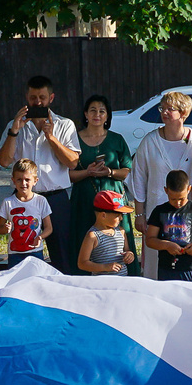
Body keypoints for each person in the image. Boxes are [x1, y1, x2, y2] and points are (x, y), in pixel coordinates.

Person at [0, 77, 79, 267]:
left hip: (55, 198)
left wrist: (51, 138)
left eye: (42, 97)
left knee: (62, 254)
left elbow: (73, 162)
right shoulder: (15, 125)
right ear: (27, 97)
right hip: (24, 199)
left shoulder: (64, 124)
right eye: (33, 97)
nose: (38, 102)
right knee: (23, 253)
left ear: (51, 97)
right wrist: (14, 131)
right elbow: (4, 161)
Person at [128, 91, 192, 281]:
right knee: (155, 264)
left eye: (170, 109)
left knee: (186, 262)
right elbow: (138, 178)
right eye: (162, 108)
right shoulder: (150, 141)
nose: (165, 112)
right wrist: (139, 214)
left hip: (187, 214)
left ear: (184, 113)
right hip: (157, 212)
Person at [72, 96, 133, 273]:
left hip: (113, 195)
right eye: (92, 110)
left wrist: (110, 172)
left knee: (118, 239)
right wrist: (87, 172)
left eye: (101, 111)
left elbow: (127, 170)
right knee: (84, 238)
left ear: (107, 116)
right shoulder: (74, 139)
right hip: (83, 197)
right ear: (85, 114)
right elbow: (67, 174)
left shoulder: (117, 139)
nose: (97, 114)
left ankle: (121, 274)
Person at [145, 170, 192, 284]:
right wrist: (166, 245)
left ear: (189, 189)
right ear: (166, 190)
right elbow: (150, 240)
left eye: (181, 199)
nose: (178, 203)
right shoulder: (159, 211)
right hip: (167, 268)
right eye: (173, 199)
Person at [0, 160, 54, 265]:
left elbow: (49, 228)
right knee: (16, 280)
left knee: (35, 280)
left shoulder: (41, 201)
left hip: (35, 252)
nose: (23, 183)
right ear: (13, 181)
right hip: (15, 253)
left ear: (35, 181)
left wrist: (40, 237)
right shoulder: (8, 202)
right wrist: (5, 229)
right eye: (19, 180)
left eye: (27, 180)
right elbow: (0, 228)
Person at [76, 193, 135, 278]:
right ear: (103, 215)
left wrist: (129, 254)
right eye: (117, 216)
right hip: (102, 283)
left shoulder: (121, 231)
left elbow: (127, 250)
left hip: (122, 280)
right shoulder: (92, 236)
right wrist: (104, 267)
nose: (121, 218)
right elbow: (82, 263)